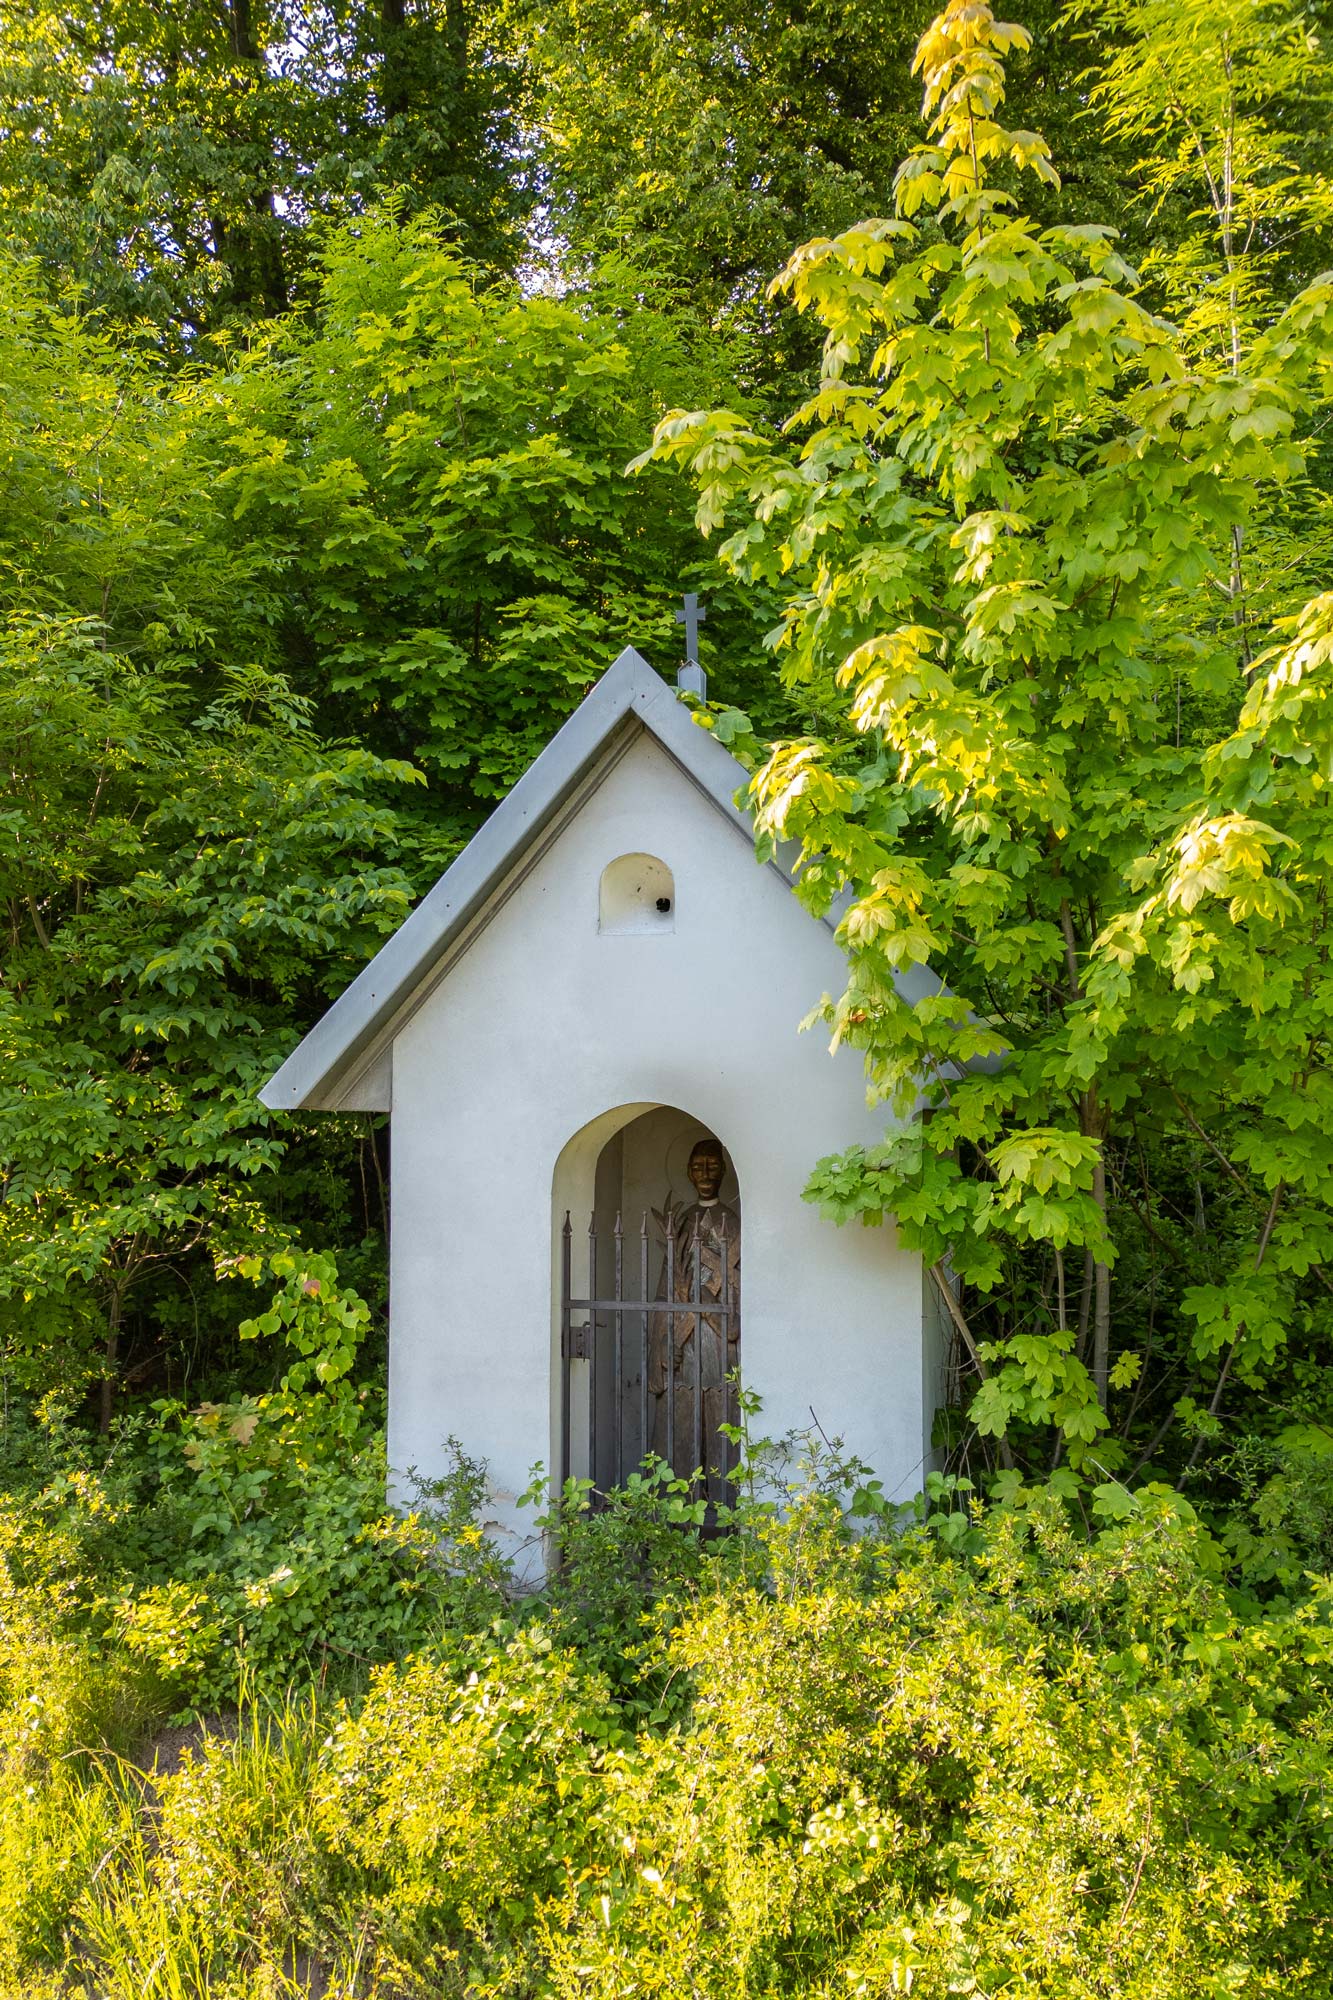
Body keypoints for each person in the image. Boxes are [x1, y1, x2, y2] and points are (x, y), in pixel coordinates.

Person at [648, 1135, 740, 1492]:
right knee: (680, 1425)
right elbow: (666, 1286)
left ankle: (723, 1512)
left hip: (718, 1343)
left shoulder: (730, 1223)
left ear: (723, 1171)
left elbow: (735, 1280)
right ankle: (677, 1517)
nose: (705, 1172)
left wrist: (712, 1305)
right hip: (683, 1342)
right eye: (698, 1166)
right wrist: (662, 1341)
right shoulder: (683, 1222)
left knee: (721, 1424)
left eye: (712, 1165)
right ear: (688, 1171)